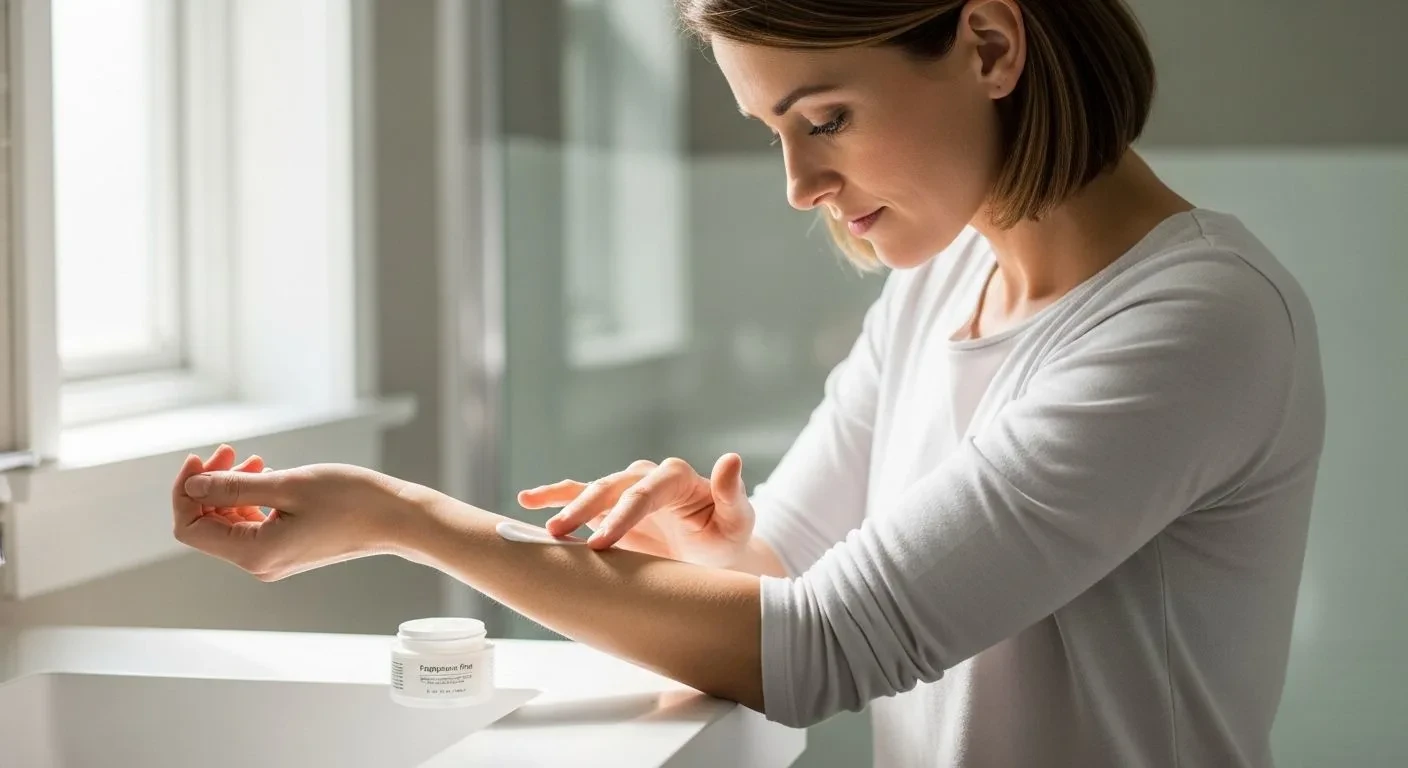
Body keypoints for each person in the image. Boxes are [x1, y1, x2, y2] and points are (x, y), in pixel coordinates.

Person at [171, 1, 1326, 766]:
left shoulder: (1195, 322)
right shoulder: (940, 282)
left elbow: (822, 648)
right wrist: (721, 551)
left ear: (988, 46)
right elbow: (789, 575)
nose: (798, 182)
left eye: (824, 118)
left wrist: (404, 519)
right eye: (775, 131)